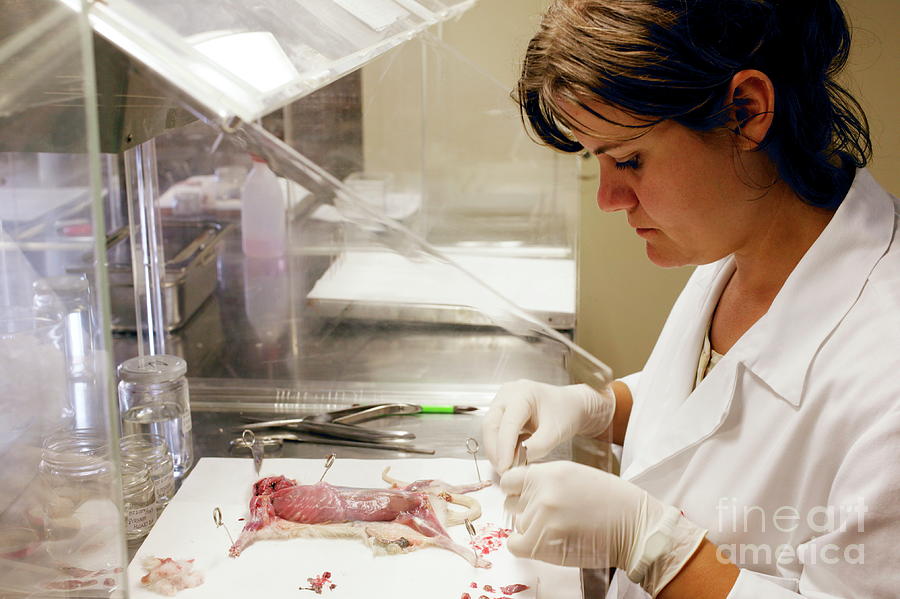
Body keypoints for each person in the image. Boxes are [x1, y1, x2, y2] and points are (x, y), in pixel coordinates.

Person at [481, 1, 899, 598]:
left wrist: (657, 549)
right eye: (597, 161)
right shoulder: (743, 243)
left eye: (628, 159)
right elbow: (715, 403)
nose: (608, 198)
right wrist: (600, 407)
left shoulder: (887, 372)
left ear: (746, 112)